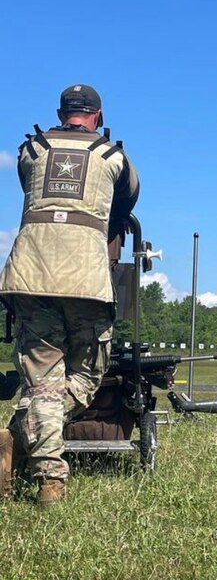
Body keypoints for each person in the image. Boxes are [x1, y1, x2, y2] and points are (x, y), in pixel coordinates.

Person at [0, 84, 139, 505]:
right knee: (87, 376)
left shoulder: (32, 149)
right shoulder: (113, 156)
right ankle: (46, 475)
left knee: (42, 383)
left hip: (30, 273)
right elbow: (126, 199)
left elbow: (28, 184)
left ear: (60, 112)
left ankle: (21, 443)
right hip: (85, 279)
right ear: (97, 115)